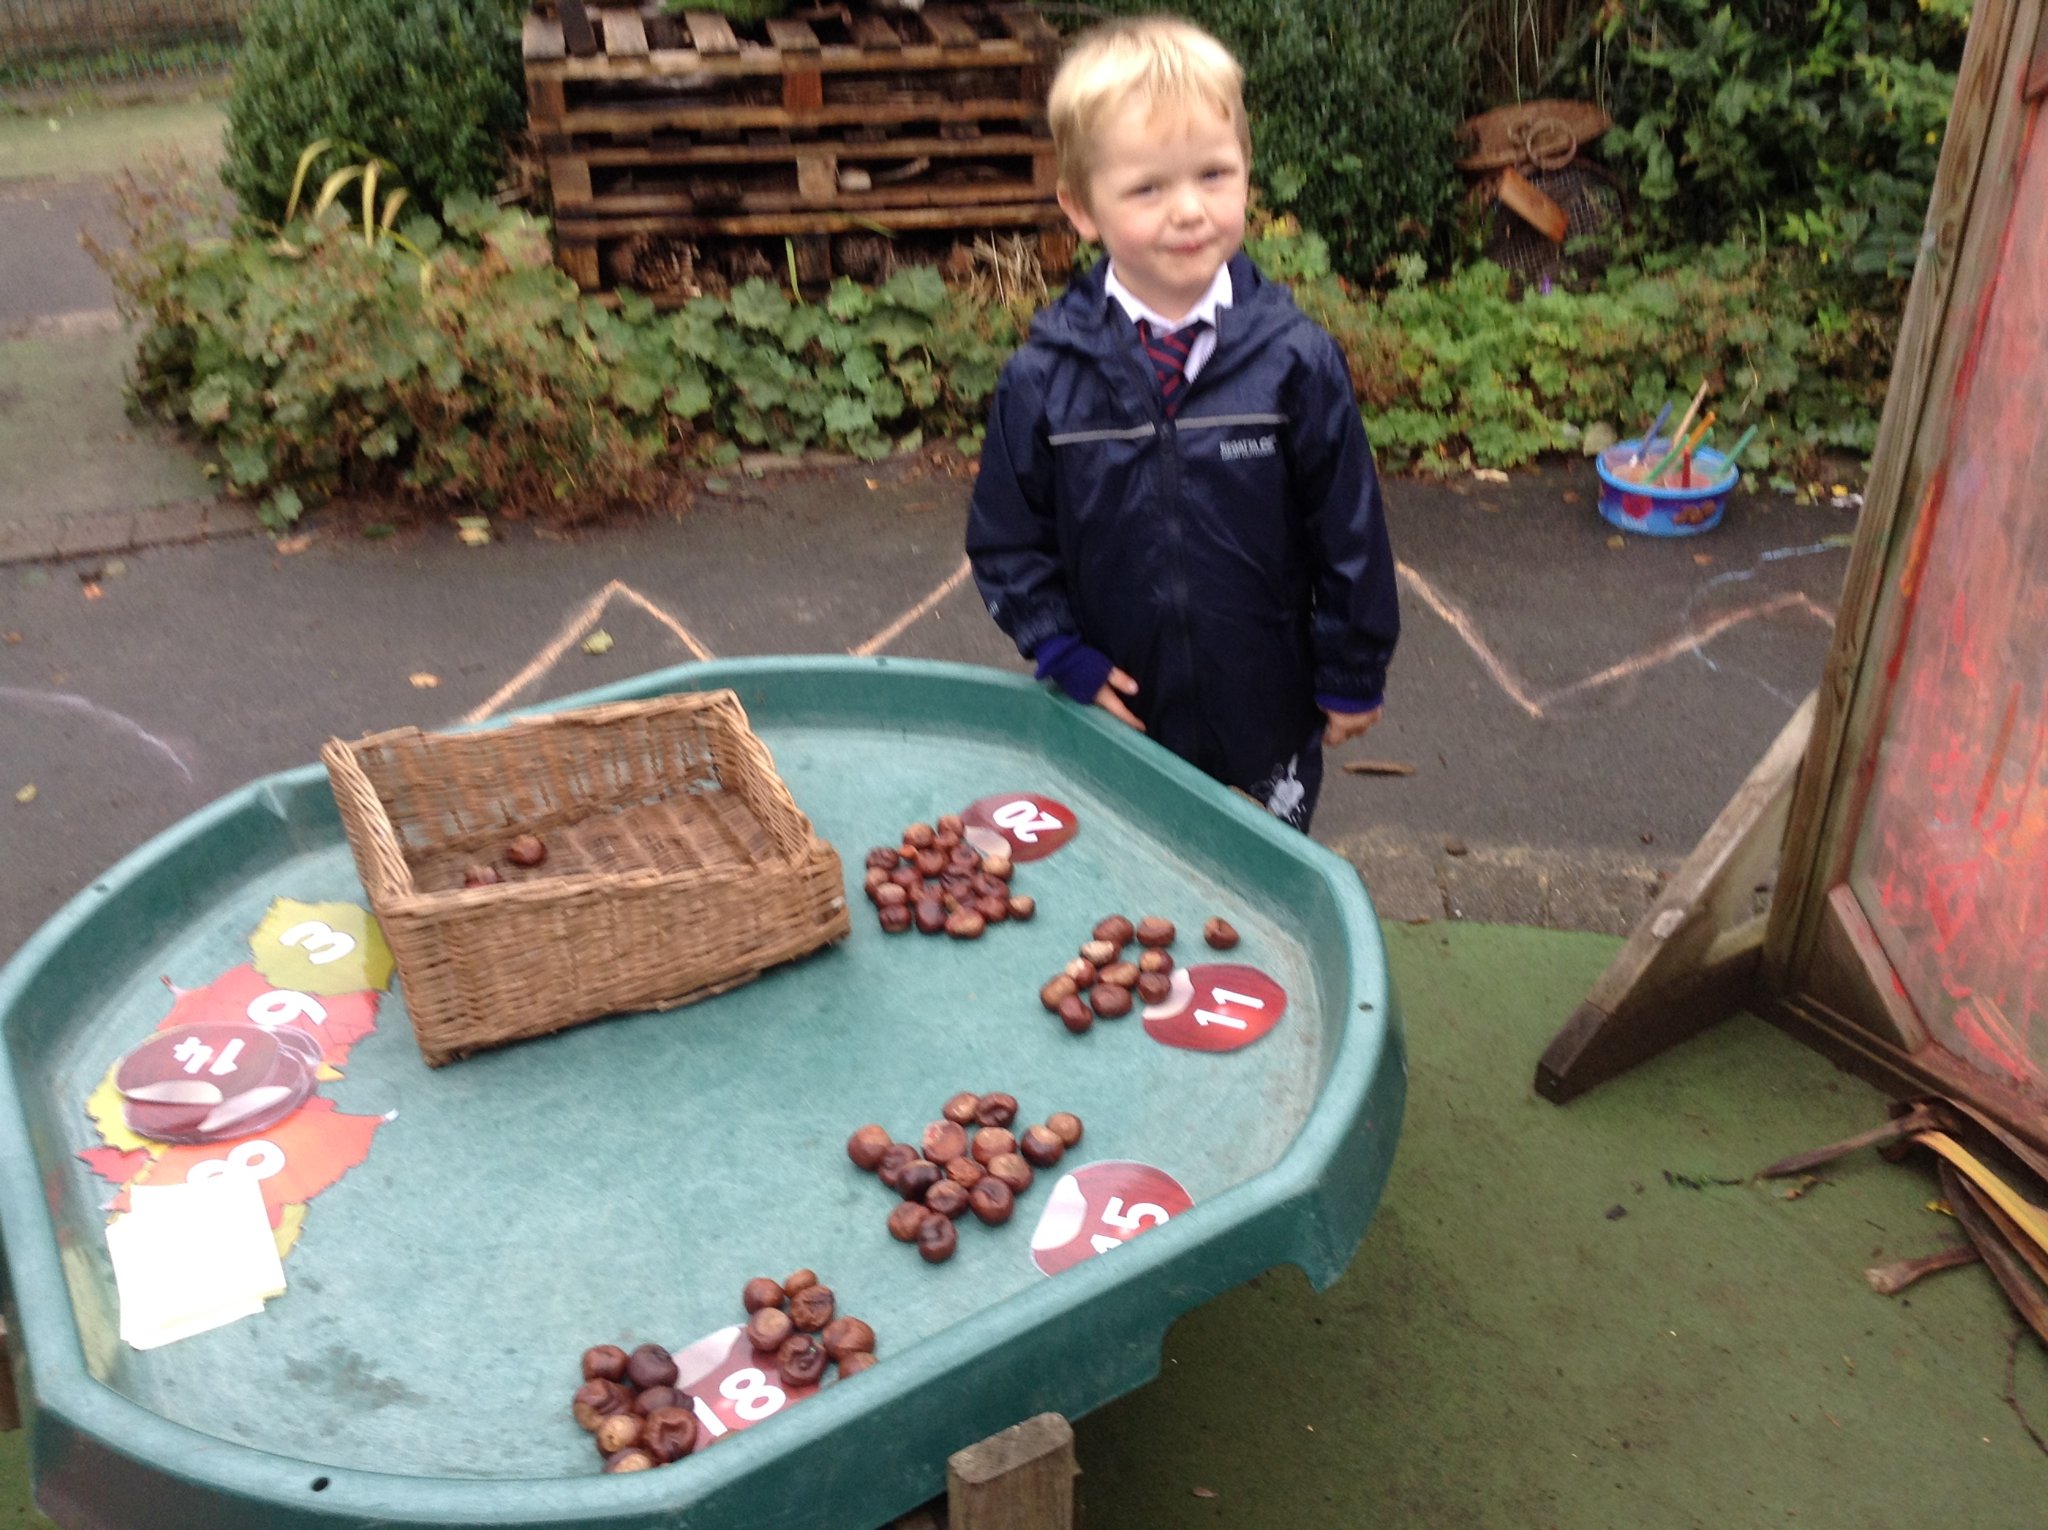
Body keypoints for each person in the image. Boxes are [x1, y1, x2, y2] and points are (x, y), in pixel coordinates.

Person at [965, 15, 1399, 832]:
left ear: (1246, 178)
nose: (1190, 211)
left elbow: (1349, 532)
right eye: (1148, 188)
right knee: (1130, 885)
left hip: (1264, 717)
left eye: (1214, 174)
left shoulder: (1296, 363)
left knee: (1254, 892)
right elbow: (1007, 540)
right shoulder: (1044, 379)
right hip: (1117, 712)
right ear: (1081, 208)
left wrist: (1352, 668)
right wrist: (1060, 651)